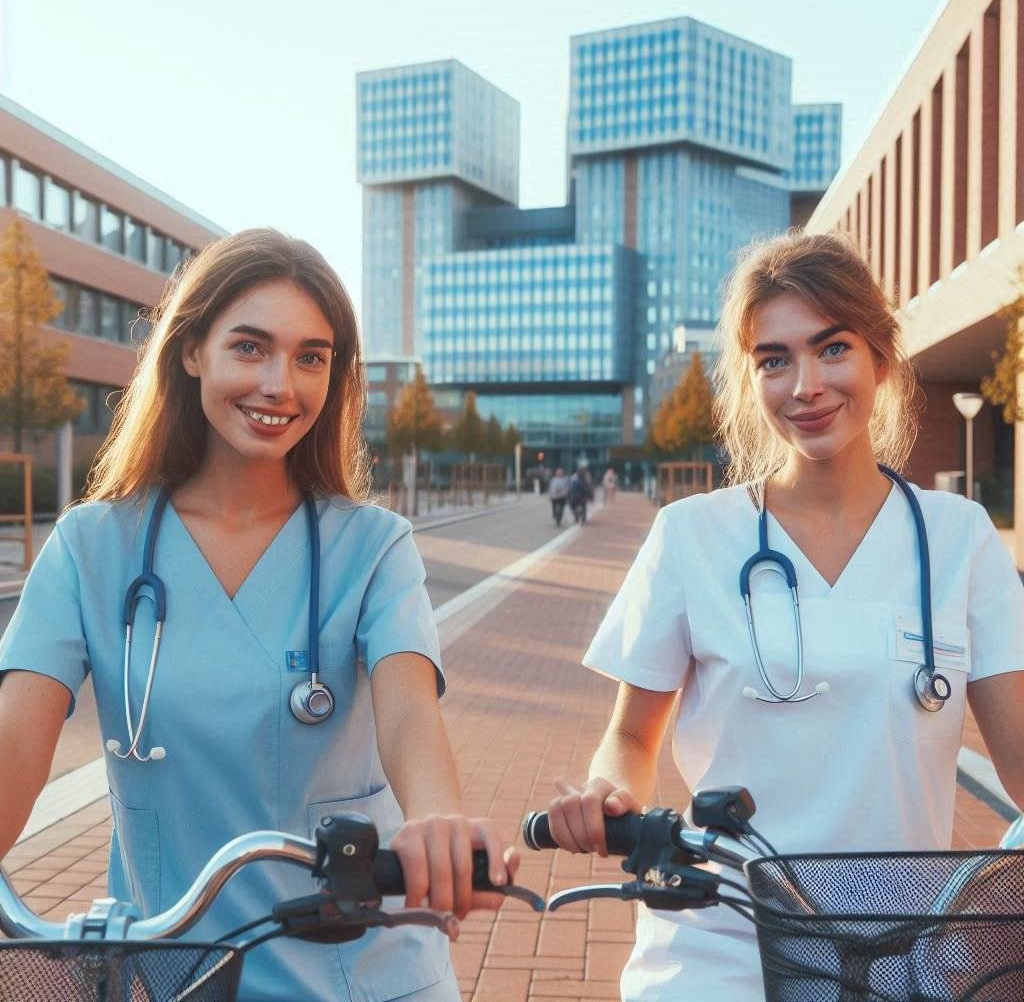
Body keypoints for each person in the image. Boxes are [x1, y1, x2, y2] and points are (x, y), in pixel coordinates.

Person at [0, 229, 518, 1002]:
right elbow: (16, 738)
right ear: (191, 352)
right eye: (250, 347)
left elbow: (409, 711)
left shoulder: (374, 547)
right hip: (178, 972)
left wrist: (437, 817)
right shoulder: (90, 549)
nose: (281, 384)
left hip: (363, 972)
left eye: (312, 356)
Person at [545, 231, 1024, 1001]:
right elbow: (633, 735)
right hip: (716, 942)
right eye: (774, 360)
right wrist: (611, 791)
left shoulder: (959, 537)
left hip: (900, 954)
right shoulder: (693, 536)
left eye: (831, 348)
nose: (805, 384)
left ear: (879, 355)